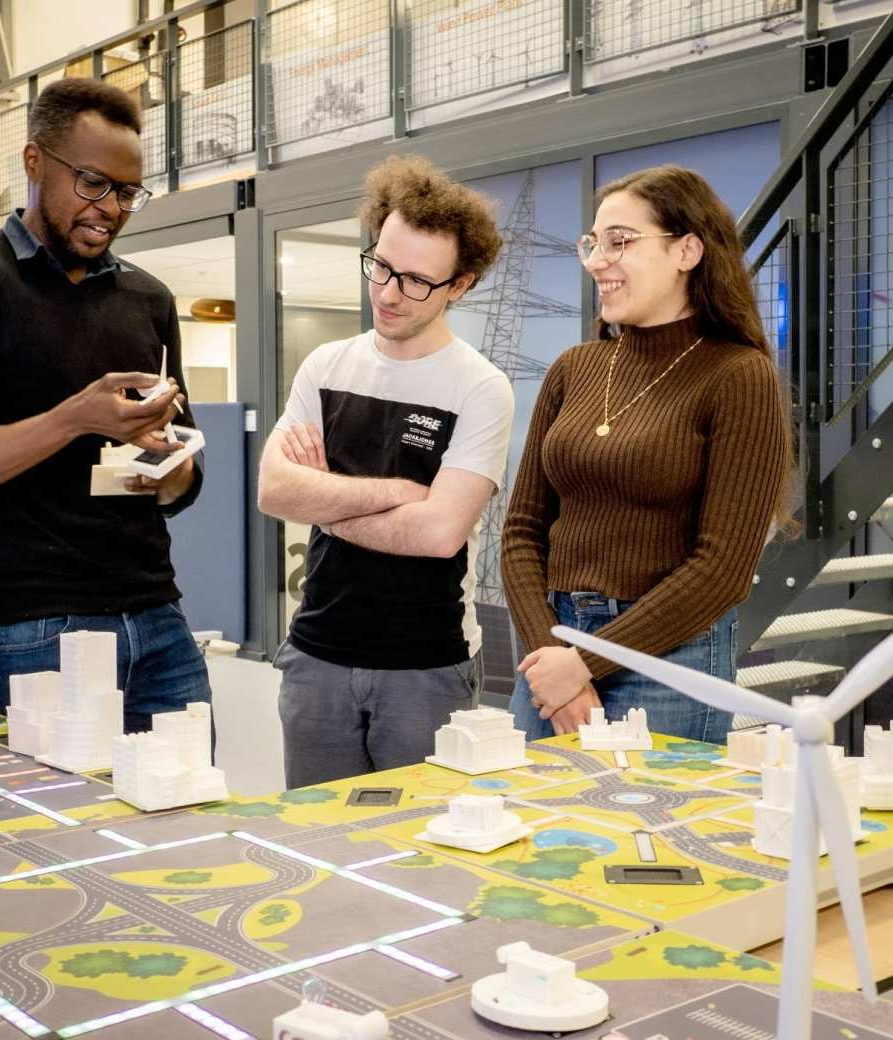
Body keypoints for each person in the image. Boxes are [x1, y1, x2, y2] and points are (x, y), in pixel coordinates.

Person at [0, 78, 210, 735]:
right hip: (32, 627)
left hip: (158, 615)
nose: (112, 209)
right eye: (94, 183)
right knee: (65, 835)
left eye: (128, 192)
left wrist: (168, 456)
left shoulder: (147, 299)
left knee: (191, 823)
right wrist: (76, 419)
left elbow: (181, 482)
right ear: (35, 162)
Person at [502, 164, 792, 744]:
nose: (596, 261)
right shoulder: (574, 368)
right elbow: (522, 531)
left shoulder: (738, 375)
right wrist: (551, 652)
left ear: (687, 250)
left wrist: (585, 663)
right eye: (593, 243)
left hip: (671, 657)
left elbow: (722, 569)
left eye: (620, 242)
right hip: (554, 643)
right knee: (540, 828)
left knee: (650, 831)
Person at [258, 155, 515, 787]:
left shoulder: (481, 388)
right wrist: (393, 495)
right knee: (319, 849)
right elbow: (273, 490)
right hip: (316, 655)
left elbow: (437, 536)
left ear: (462, 284)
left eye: (418, 281)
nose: (389, 293)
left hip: (425, 668)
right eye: (381, 266)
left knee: (420, 856)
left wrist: (324, 500)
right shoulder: (325, 365)